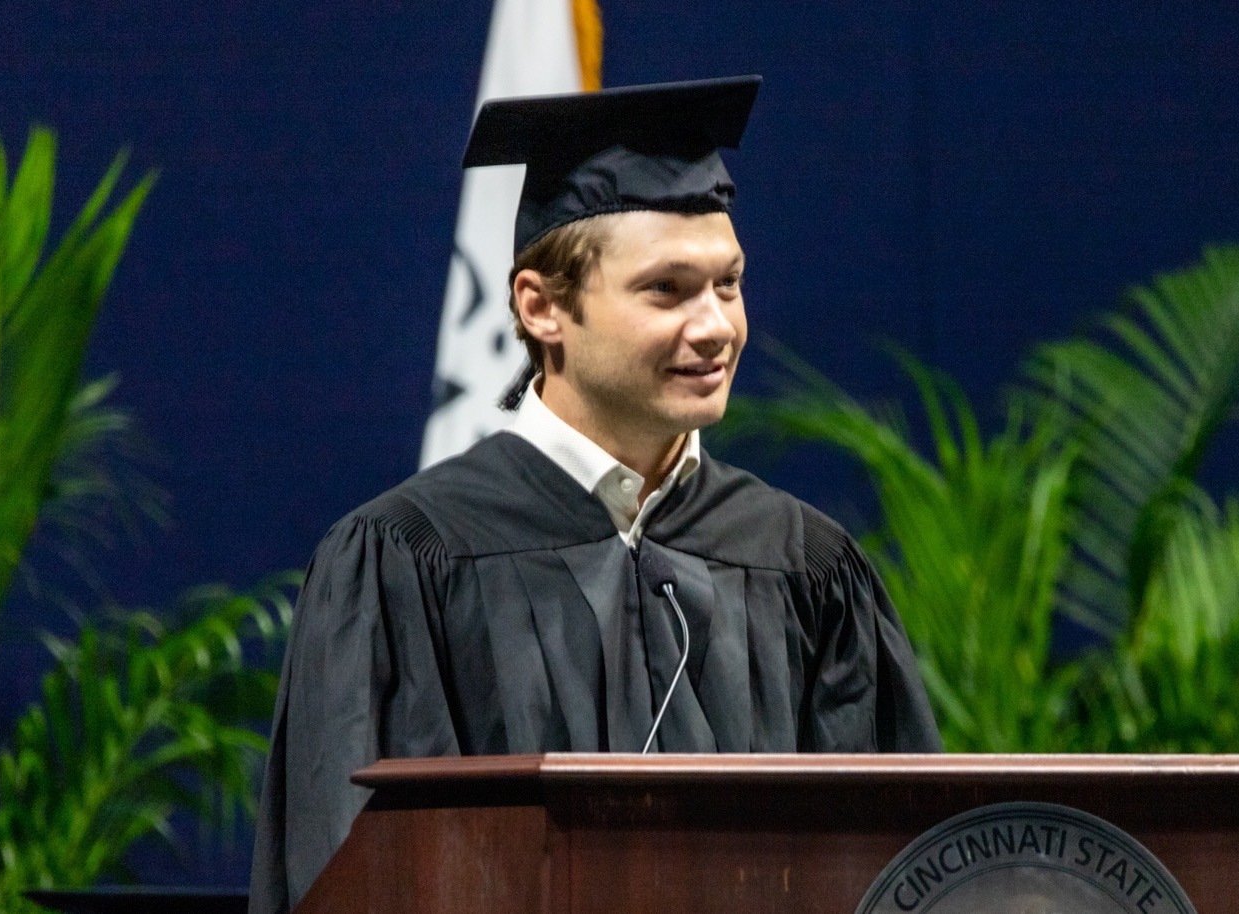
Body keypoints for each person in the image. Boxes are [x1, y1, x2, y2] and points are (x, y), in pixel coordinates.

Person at [248, 76, 941, 914]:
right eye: (667, 290)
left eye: (729, 284)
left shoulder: (805, 565)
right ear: (542, 307)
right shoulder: (406, 560)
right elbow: (355, 875)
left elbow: (898, 869)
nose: (717, 325)